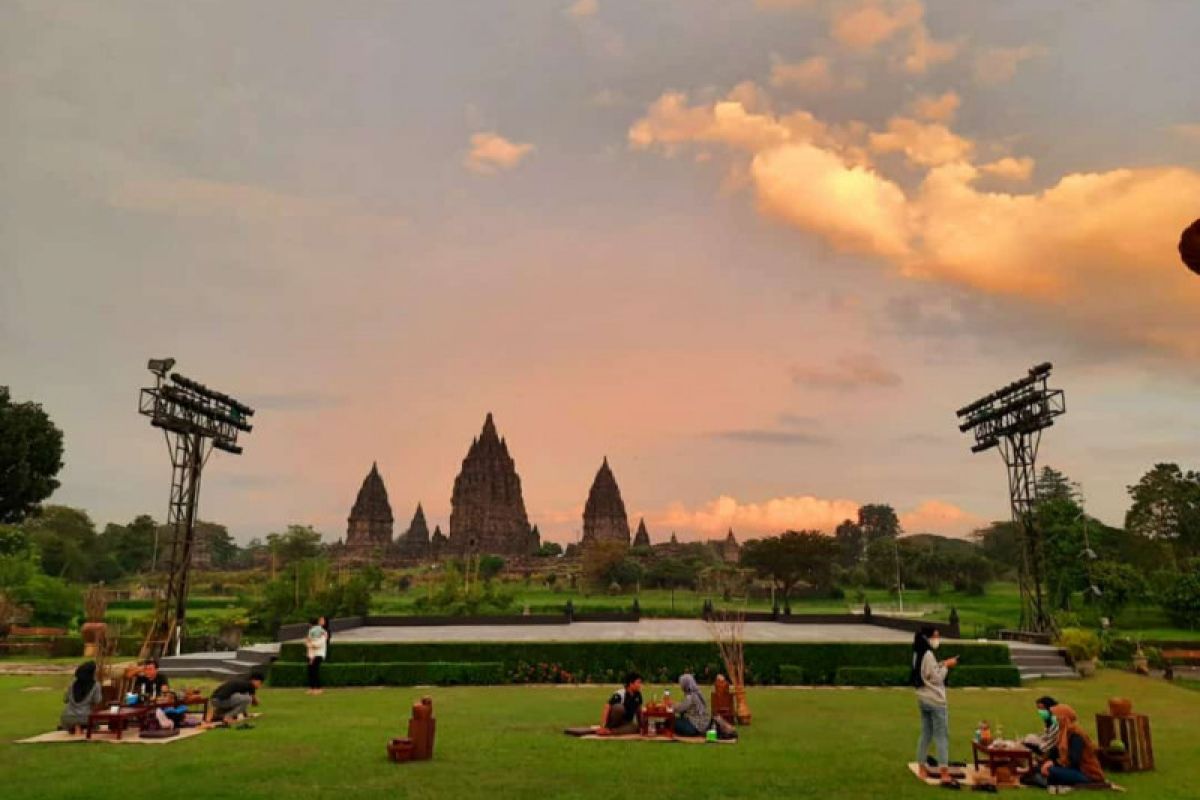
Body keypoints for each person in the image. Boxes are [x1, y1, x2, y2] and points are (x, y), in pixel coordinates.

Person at [911, 625, 959, 787]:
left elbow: (926, 672)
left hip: (923, 698)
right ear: (927, 637)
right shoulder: (928, 654)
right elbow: (936, 678)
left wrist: (942, 663)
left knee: (926, 734)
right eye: (935, 636)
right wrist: (947, 666)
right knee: (941, 736)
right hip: (936, 701)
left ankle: (922, 767)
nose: (937, 639)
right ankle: (944, 772)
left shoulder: (917, 653)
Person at [1036, 704, 1105, 789]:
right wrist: (1046, 762)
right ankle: (1046, 779)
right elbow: (1055, 752)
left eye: (1056, 716)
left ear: (1063, 718)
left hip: (1085, 773)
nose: (1054, 718)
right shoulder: (1063, 734)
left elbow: (1074, 761)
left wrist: (1054, 764)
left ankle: (1046, 780)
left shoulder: (1077, 735)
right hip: (1070, 769)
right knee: (1040, 768)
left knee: (1052, 771)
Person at [60, 661, 102, 734]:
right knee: (95, 725)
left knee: (75, 720)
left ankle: (76, 727)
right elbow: (97, 701)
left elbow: (65, 699)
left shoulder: (72, 684)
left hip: (68, 717)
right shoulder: (96, 685)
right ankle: (79, 727)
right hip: (85, 717)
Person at [305, 618, 328, 696]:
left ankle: (318, 688)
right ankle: (311, 688)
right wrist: (311, 656)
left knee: (315, 670)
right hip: (311, 654)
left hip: (319, 654)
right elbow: (307, 643)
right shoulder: (311, 633)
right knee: (310, 671)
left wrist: (311, 643)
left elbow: (319, 644)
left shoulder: (323, 633)